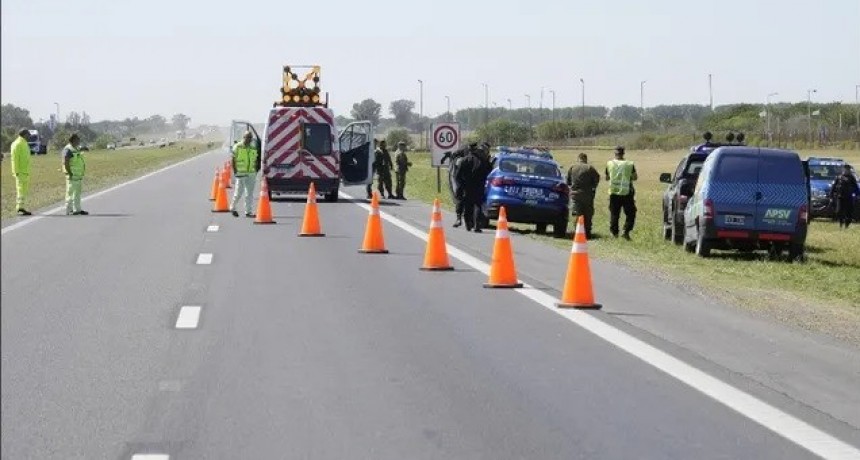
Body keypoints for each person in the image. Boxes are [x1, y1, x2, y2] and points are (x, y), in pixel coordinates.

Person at [605, 146, 637, 239]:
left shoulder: (610, 163)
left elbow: (607, 177)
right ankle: (626, 231)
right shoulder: (629, 164)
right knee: (631, 213)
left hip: (613, 193)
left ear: (615, 153)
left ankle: (614, 233)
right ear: (623, 153)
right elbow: (635, 177)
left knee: (614, 214)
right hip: (626, 192)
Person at [566, 152, 601, 238]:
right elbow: (597, 179)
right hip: (587, 195)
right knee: (588, 214)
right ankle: (587, 233)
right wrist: (593, 187)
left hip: (575, 195)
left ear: (578, 159)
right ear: (585, 159)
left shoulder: (572, 167)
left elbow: (568, 181)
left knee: (577, 214)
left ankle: (578, 232)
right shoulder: (590, 168)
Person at [230, 131, 261, 217]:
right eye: (247, 137)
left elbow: (256, 160)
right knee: (238, 193)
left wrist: (256, 170)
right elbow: (233, 160)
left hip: (251, 173)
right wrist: (235, 171)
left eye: (250, 137)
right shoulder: (238, 147)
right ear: (243, 137)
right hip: (241, 173)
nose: (249, 139)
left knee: (249, 193)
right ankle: (232, 207)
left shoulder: (253, 148)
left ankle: (248, 211)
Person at [62, 133, 88, 216]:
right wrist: (70, 173)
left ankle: (77, 209)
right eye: (77, 139)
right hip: (72, 175)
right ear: (73, 140)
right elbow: (66, 162)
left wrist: (83, 148)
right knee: (70, 193)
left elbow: (78, 153)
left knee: (77, 193)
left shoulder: (75, 148)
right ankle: (69, 210)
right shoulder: (68, 149)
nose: (79, 141)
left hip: (77, 176)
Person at [10, 128, 33, 215]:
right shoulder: (18, 143)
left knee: (24, 191)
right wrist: (16, 171)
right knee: (20, 190)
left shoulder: (24, 143)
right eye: (28, 134)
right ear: (24, 134)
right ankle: (20, 207)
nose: (29, 136)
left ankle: (22, 207)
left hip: (25, 171)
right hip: (20, 172)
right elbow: (14, 159)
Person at [830, 164, 859, 229]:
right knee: (839, 211)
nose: (846, 170)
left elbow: (856, 188)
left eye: (848, 169)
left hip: (849, 197)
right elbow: (833, 187)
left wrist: (856, 195)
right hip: (840, 197)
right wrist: (831, 196)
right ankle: (841, 224)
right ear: (843, 169)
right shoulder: (839, 177)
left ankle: (847, 225)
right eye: (845, 169)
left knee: (849, 213)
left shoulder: (852, 178)